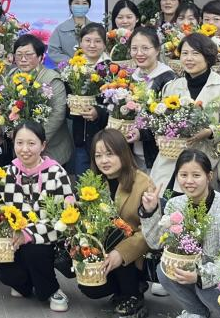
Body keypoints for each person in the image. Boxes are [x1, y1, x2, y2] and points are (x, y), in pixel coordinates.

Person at [139, 149, 220, 318]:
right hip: (189, 270)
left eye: (196, 175)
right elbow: (156, 243)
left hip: (219, 280)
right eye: (183, 175)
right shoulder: (175, 204)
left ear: (209, 176)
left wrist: (200, 276)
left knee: (206, 287)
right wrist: (150, 211)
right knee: (163, 271)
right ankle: (197, 313)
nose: (189, 181)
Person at [0, 121, 74, 312]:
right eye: (19, 143)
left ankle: (52, 290)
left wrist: (28, 234)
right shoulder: (7, 173)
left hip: (48, 240)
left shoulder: (56, 173)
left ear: (43, 145)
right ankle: (29, 283)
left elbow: (62, 219)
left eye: (31, 143)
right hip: (15, 239)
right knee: (4, 274)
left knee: (34, 251)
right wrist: (5, 232)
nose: (25, 149)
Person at [149, 33, 220, 192]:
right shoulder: (172, 86)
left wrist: (210, 132)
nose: (189, 58)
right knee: (163, 199)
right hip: (171, 160)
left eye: (195, 53)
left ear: (208, 57)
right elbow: (162, 119)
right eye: (184, 53)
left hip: (206, 160)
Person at [80, 129, 156, 318]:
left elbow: (149, 232)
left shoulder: (143, 183)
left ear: (123, 153)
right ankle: (121, 289)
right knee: (90, 288)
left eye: (110, 154)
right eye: (98, 155)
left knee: (120, 236)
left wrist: (121, 253)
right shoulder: (94, 182)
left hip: (136, 253)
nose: (104, 160)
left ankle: (133, 293)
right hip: (104, 250)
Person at [9, 34, 71, 167]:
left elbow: (58, 114)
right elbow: (2, 107)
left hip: (51, 148)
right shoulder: (11, 76)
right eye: (19, 55)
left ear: (40, 57)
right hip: (21, 150)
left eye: (28, 55)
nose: (23, 59)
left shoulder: (52, 79)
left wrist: (35, 140)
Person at [127, 27, 177, 169]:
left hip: (157, 155)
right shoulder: (132, 76)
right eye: (134, 48)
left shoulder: (167, 78)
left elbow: (169, 120)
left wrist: (142, 133)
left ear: (157, 50)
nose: (139, 53)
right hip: (132, 154)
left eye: (145, 48)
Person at [64, 23, 109, 173]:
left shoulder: (112, 69)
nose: (92, 45)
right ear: (80, 43)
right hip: (81, 141)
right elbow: (66, 105)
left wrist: (98, 112)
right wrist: (74, 107)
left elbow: (117, 106)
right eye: (87, 40)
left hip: (107, 140)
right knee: (83, 181)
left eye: (97, 41)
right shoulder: (72, 69)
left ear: (104, 44)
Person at [48, 0, 94, 66]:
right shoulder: (60, 29)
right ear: (70, 6)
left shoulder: (96, 28)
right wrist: (72, 62)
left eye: (84, 3)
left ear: (89, 6)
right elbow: (53, 52)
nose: (80, 6)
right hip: (68, 71)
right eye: (77, 3)